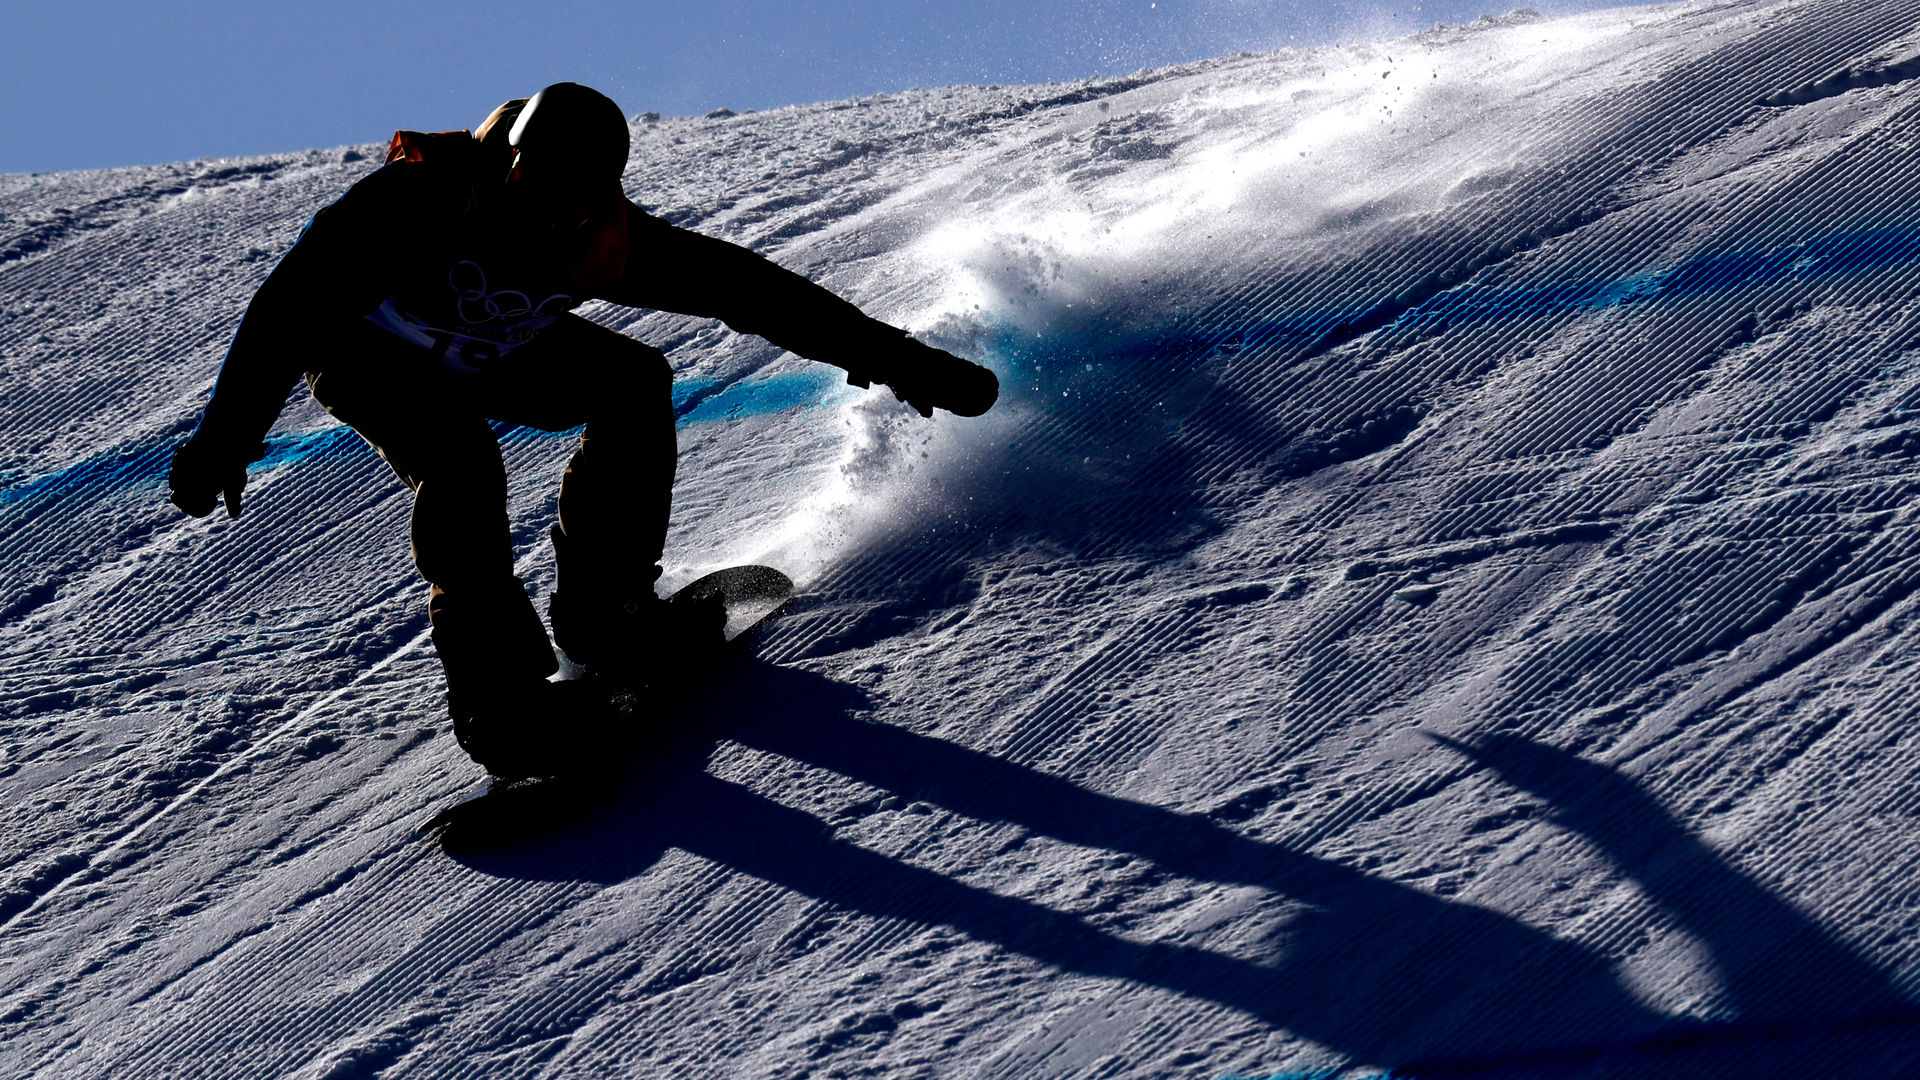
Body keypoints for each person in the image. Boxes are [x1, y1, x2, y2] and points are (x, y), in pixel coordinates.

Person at [167, 83, 998, 776]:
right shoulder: (415, 200)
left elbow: (751, 291)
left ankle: (606, 612)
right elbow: (286, 310)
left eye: (571, 203)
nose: (544, 215)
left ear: (600, 197)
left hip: (495, 352)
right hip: (368, 354)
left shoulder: (608, 240)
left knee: (632, 381)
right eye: (531, 185)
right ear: (508, 161)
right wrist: (224, 439)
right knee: (459, 462)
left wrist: (899, 359)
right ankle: (501, 707)